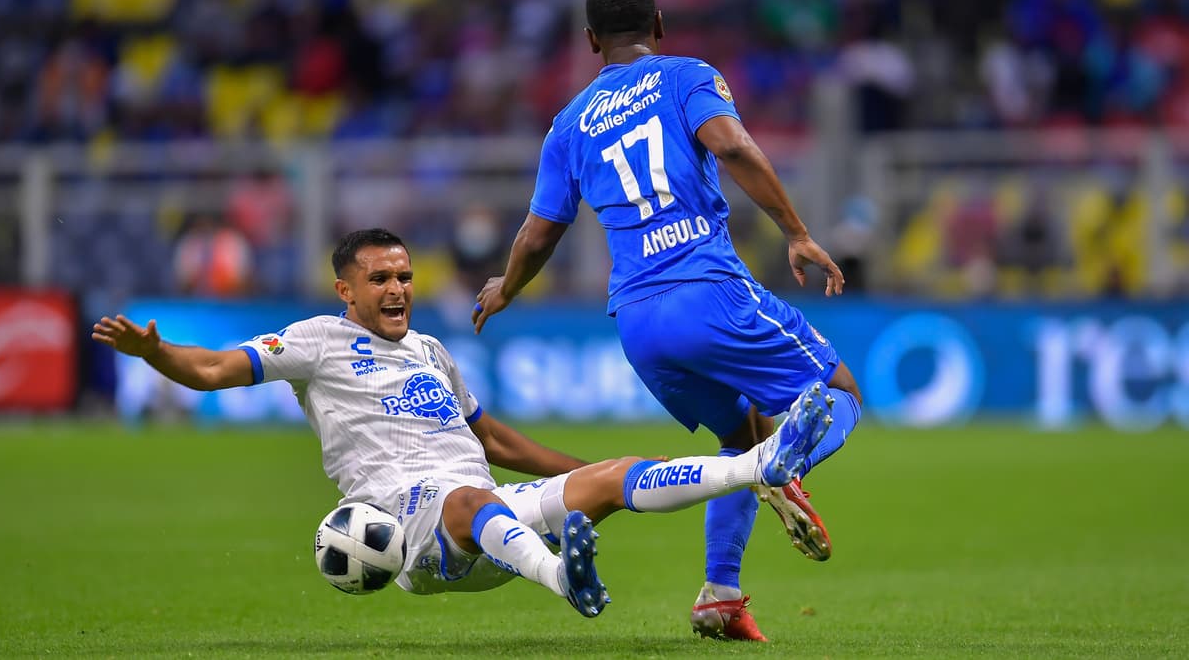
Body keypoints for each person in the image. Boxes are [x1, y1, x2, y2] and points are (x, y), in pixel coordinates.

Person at [92, 227, 833, 625]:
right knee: (467, 501)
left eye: (405, 275)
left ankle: (761, 462)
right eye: (380, 279)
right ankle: (562, 580)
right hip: (419, 528)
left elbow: (497, 441)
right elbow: (217, 369)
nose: (397, 289)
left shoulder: (432, 351)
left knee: (613, 472)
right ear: (345, 290)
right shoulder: (314, 341)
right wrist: (155, 350)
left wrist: (579, 475)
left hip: (483, 507)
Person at [473, 0, 864, 641]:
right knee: (839, 390)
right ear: (658, 23)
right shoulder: (686, 75)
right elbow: (733, 144)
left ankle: (721, 594)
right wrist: (796, 231)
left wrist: (506, 288)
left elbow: (540, 232)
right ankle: (784, 468)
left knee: (739, 434)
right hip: (707, 288)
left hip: (638, 322)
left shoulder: (567, 125)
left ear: (592, 40)